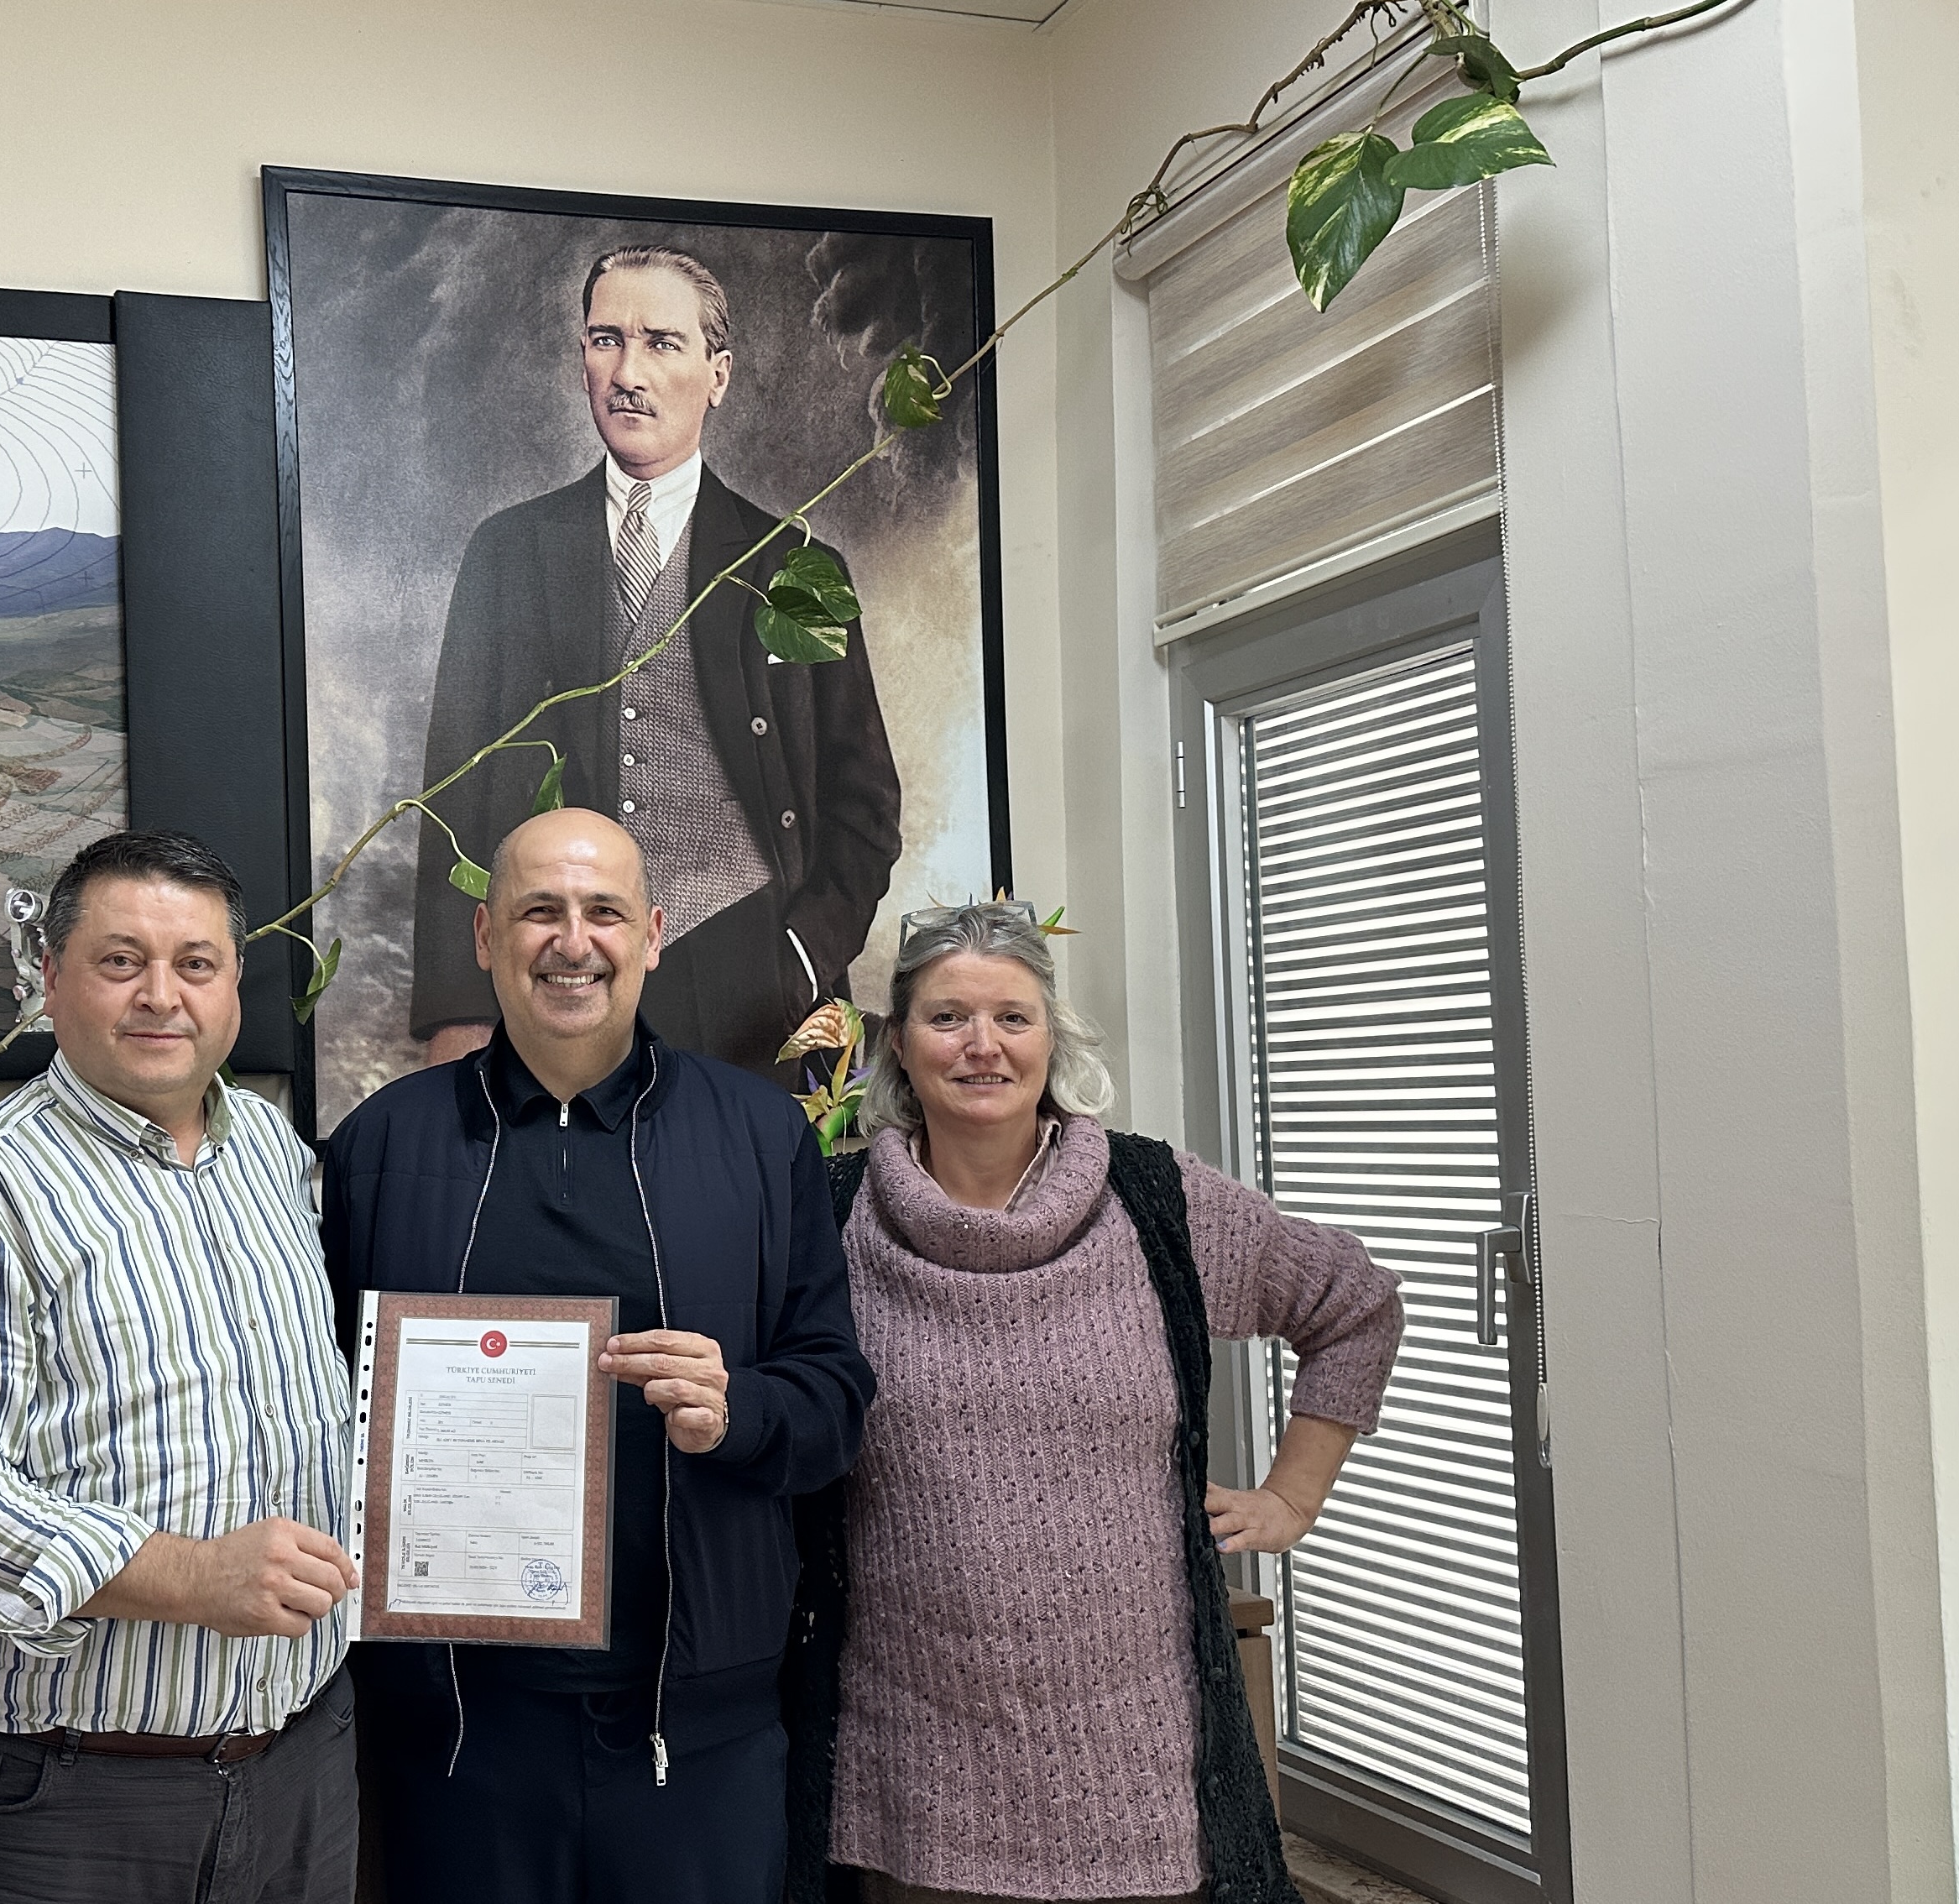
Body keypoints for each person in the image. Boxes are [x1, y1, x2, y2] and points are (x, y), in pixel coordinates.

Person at [326, 807, 873, 1904]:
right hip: (457, 1738)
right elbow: (319, 1407)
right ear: (487, 937)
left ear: (653, 935)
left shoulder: (761, 1138)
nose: (572, 941)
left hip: (697, 1737)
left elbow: (837, 1402)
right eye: (540, 910)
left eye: (604, 912)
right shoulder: (383, 1143)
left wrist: (741, 1412)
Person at [814, 902, 1404, 1904]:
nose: (983, 1045)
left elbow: (1354, 1303)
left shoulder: (1156, 1202)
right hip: (911, 1773)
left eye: (1013, 1017)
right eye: (948, 1017)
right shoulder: (830, 1218)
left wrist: (1291, 1498)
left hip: (1139, 1777)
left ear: (1052, 1038)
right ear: (899, 1045)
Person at [0, 829, 362, 1904]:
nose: (161, 997)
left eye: (195, 964)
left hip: (301, 1765)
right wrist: (194, 1577)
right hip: (65, 1796)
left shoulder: (270, 1151)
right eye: (121, 961)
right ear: (51, 977)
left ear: (233, 984)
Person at [410, 245, 902, 1081]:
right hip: (562, 975)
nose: (628, 373)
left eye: (662, 343)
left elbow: (866, 806)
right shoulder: (508, 553)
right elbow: (454, 793)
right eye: (607, 340)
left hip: (753, 985)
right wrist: (459, 1009)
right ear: (583, 359)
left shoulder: (797, 567)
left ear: (718, 375)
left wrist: (799, 958)